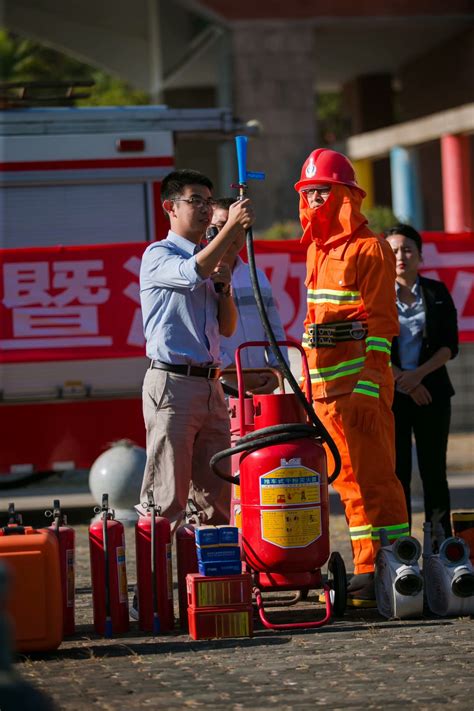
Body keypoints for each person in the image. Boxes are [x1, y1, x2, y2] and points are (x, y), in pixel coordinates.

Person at [295, 148, 409, 606]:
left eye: (323, 190)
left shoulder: (370, 248)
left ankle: (399, 565)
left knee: (377, 481)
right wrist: (307, 388)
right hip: (325, 393)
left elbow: (382, 327)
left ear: (346, 194)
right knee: (349, 488)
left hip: (359, 391)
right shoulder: (316, 252)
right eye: (308, 192)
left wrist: (368, 385)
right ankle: (367, 566)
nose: (315, 199)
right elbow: (313, 324)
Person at [137, 169, 254, 531]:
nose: (204, 209)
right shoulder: (159, 254)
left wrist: (225, 291)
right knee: (166, 497)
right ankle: (157, 585)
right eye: (195, 201)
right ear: (170, 207)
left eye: (208, 200)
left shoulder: (209, 257)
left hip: (210, 384)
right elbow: (192, 272)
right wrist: (232, 228)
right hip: (173, 384)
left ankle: (211, 584)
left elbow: (227, 326)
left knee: (215, 500)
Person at [385, 224, 459, 539]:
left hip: (433, 393)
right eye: (393, 251)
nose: (400, 256)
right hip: (392, 394)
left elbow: (449, 346)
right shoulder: (375, 294)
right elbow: (368, 344)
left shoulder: (436, 292)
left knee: (434, 473)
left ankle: (441, 544)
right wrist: (403, 379)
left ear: (420, 256)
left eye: (407, 249)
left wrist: (417, 376)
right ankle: (402, 543)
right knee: (397, 473)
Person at [209, 197, 288, 395]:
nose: (229, 234)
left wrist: (278, 372)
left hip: (262, 389)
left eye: (237, 227)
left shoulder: (257, 276)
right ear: (207, 231)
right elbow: (203, 338)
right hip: (221, 391)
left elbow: (274, 330)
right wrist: (240, 376)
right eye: (221, 226)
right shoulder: (201, 277)